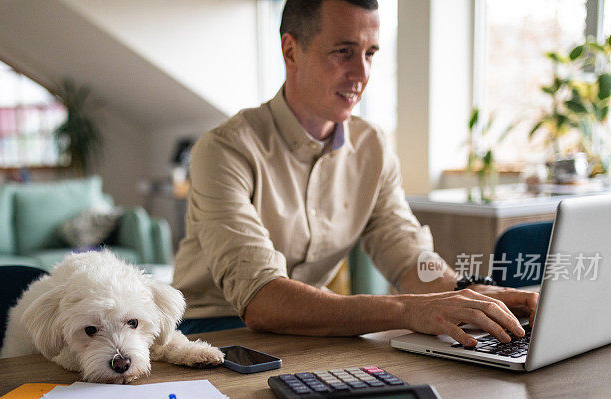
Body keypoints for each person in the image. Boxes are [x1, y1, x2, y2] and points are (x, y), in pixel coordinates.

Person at [173, 0, 537, 348]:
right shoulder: (223, 150)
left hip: (308, 330)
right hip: (214, 331)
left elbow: (408, 256)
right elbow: (262, 299)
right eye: (343, 51)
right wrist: (409, 309)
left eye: (370, 54)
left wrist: (464, 292)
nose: (362, 73)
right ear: (290, 51)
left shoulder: (373, 147)